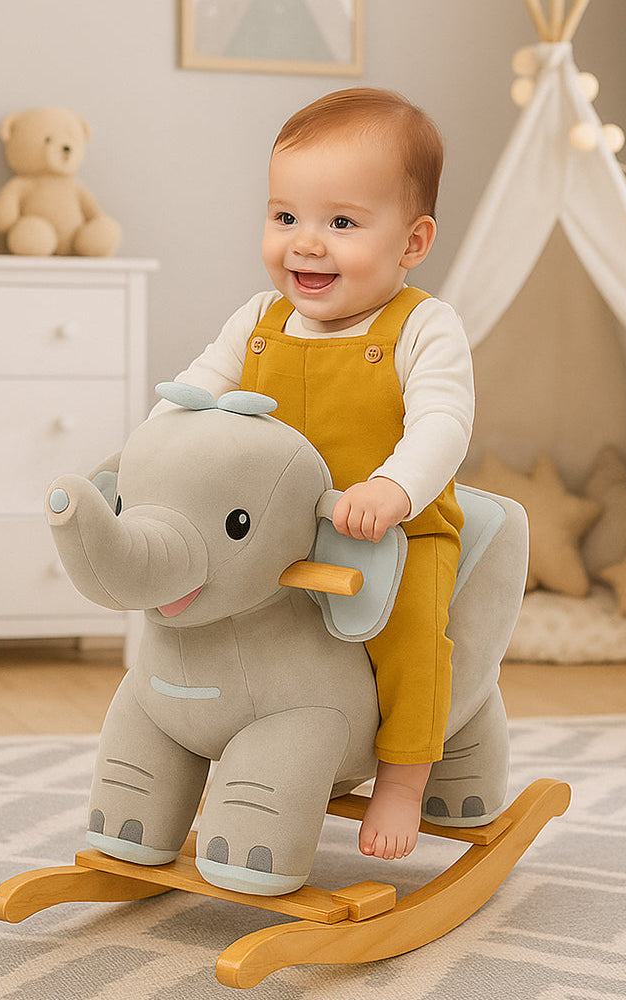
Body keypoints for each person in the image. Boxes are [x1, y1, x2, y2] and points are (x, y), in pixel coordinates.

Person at [159, 88, 474, 861]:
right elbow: (195, 392)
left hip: (391, 534)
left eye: (341, 223)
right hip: (270, 532)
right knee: (197, 602)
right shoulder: (257, 320)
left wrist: (392, 489)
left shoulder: (423, 327)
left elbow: (443, 423)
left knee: (412, 637)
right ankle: (206, 736)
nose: (305, 244)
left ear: (413, 241)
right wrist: (155, 448)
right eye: (285, 216)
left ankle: (403, 775)